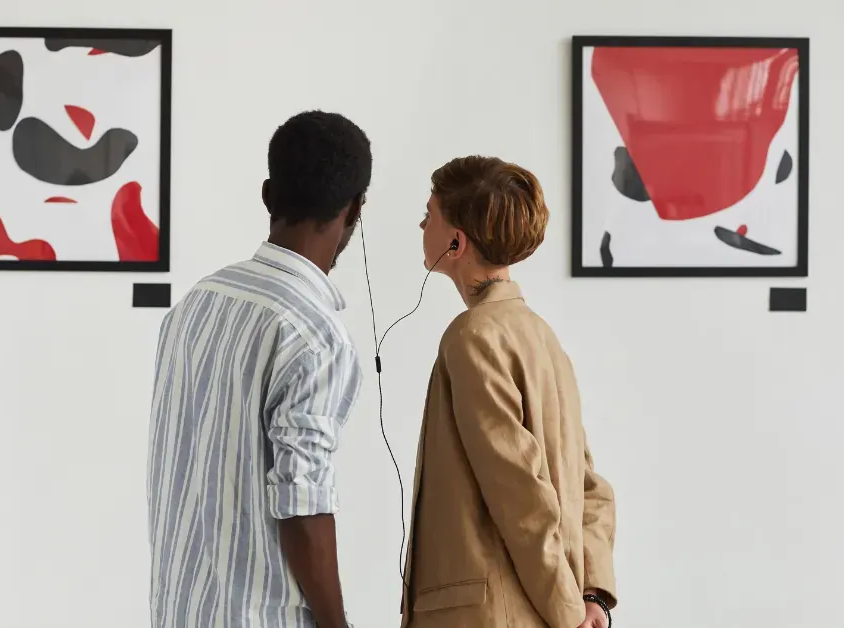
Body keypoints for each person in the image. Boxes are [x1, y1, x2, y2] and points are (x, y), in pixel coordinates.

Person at [147, 111, 370, 628]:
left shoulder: (196, 303)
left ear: (268, 195)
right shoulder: (315, 336)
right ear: (354, 209)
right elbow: (303, 505)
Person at [401, 156, 618, 628]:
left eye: (430, 214)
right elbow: (589, 487)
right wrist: (593, 597)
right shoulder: (542, 336)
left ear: (456, 242)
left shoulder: (472, 336)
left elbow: (520, 493)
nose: (421, 223)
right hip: (539, 607)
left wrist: (569, 614)